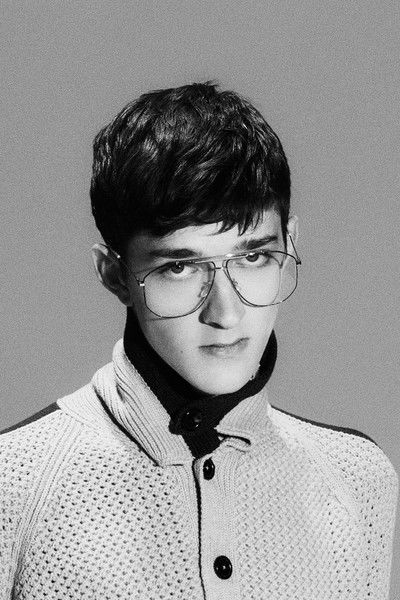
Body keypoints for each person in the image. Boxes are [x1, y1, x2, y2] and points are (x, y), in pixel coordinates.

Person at [0, 82, 397, 600]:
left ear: (290, 246)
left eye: (253, 257)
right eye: (180, 268)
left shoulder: (357, 478)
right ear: (114, 274)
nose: (225, 312)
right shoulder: (15, 480)